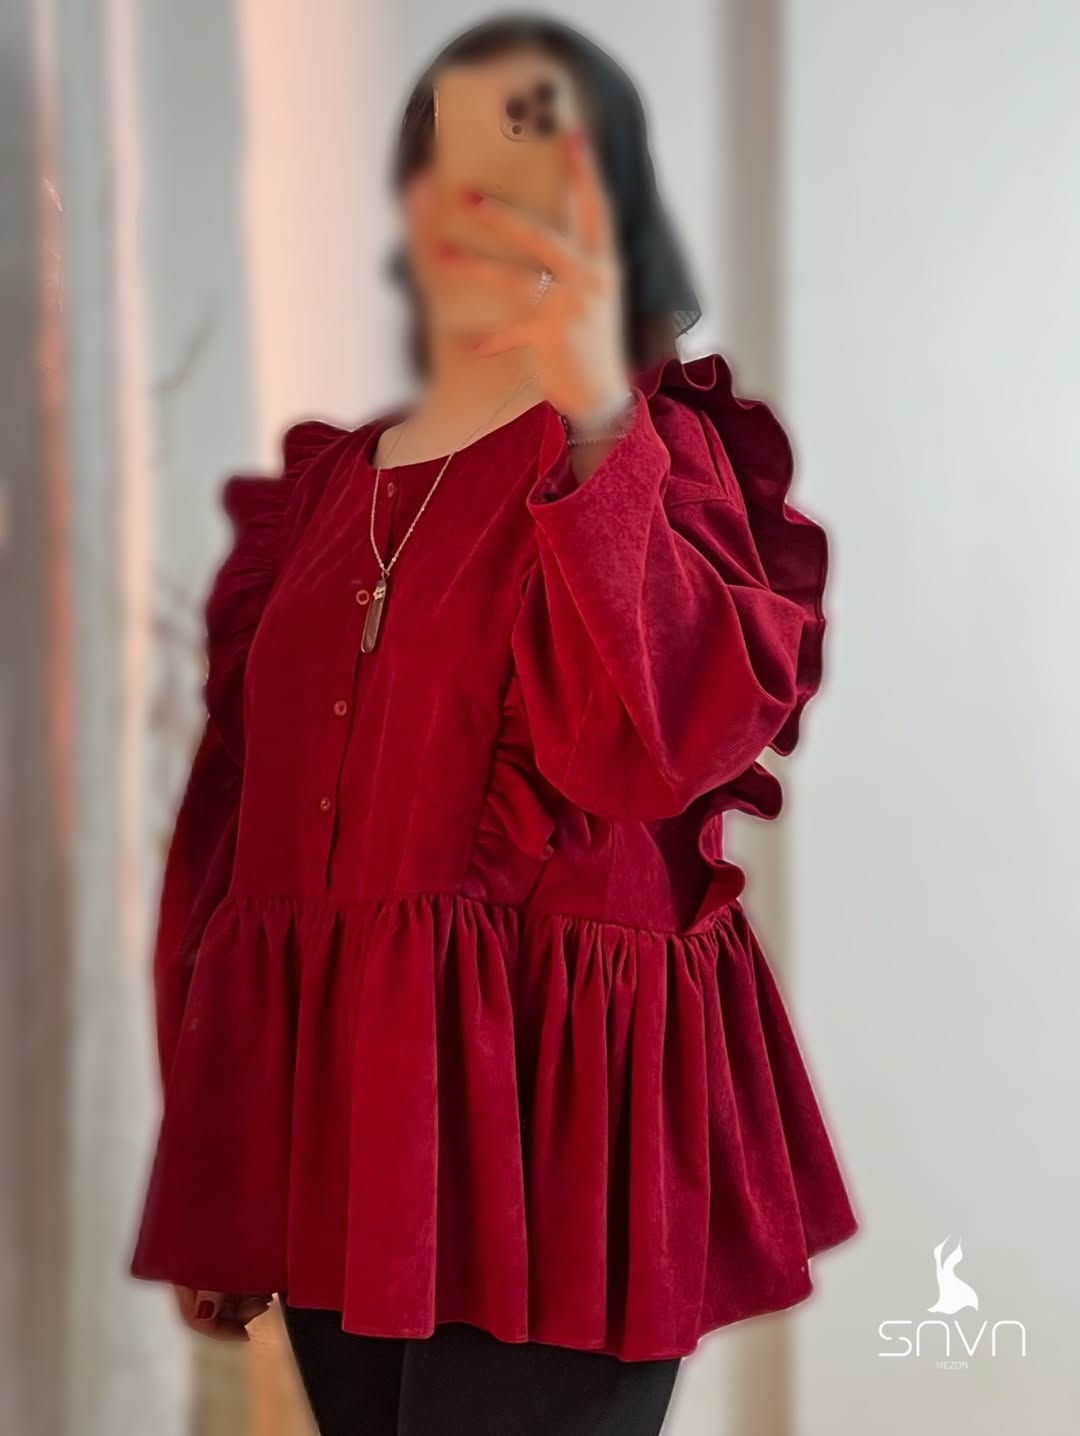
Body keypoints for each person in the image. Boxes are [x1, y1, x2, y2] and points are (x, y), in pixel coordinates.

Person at [130, 15, 858, 1435]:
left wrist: (592, 423)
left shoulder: (660, 455)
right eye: (454, 164)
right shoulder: (321, 495)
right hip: (347, 1131)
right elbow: (235, 837)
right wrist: (225, 1157)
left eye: (535, 157)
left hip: (560, 1136)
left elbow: (662, 735)